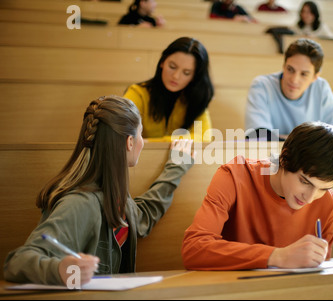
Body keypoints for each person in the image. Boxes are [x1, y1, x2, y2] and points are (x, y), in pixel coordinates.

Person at [4, 96, 194, 285]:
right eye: (141, 135)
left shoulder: (115, 198)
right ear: (129, 142)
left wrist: (176, 167)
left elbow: (142, 216)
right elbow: (18, 262)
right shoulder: (80, 204)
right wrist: (60, 269)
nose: (142, 142)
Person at [182, 121, 333, 270]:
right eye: (305, 181)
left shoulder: (328, 204)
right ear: (284, 159)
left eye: (323, 189)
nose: (310, 198)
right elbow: (194, 249)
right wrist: (277, 256)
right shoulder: (235, 176)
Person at [245, 38, 333, 141]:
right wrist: (312, 142)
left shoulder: (321, 87)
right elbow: (256, 137)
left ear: (315, 76)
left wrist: (282, 138)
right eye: (290, 69)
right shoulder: (262, 85)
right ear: (283, 66)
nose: (294, 80)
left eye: (304, 74)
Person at [123, 37, 214, 142]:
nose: (176, 76)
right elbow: (120, 131)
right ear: (162, 62)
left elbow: (204, 138)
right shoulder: (138, 93)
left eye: (186, 73)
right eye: (172, 66)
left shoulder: (196, 98)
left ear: (194, 76)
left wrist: (151, 142)